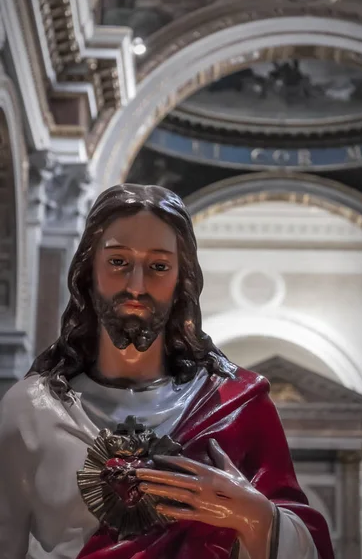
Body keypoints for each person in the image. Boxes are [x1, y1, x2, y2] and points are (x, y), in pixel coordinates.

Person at [0, 184, 334, 559]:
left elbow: (311, 546)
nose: (136, 285)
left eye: (158, 266)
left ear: (181, 281)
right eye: (118, 262)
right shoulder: (30, 411)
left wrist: (255, 518)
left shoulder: (236, 408)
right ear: (87, 271)